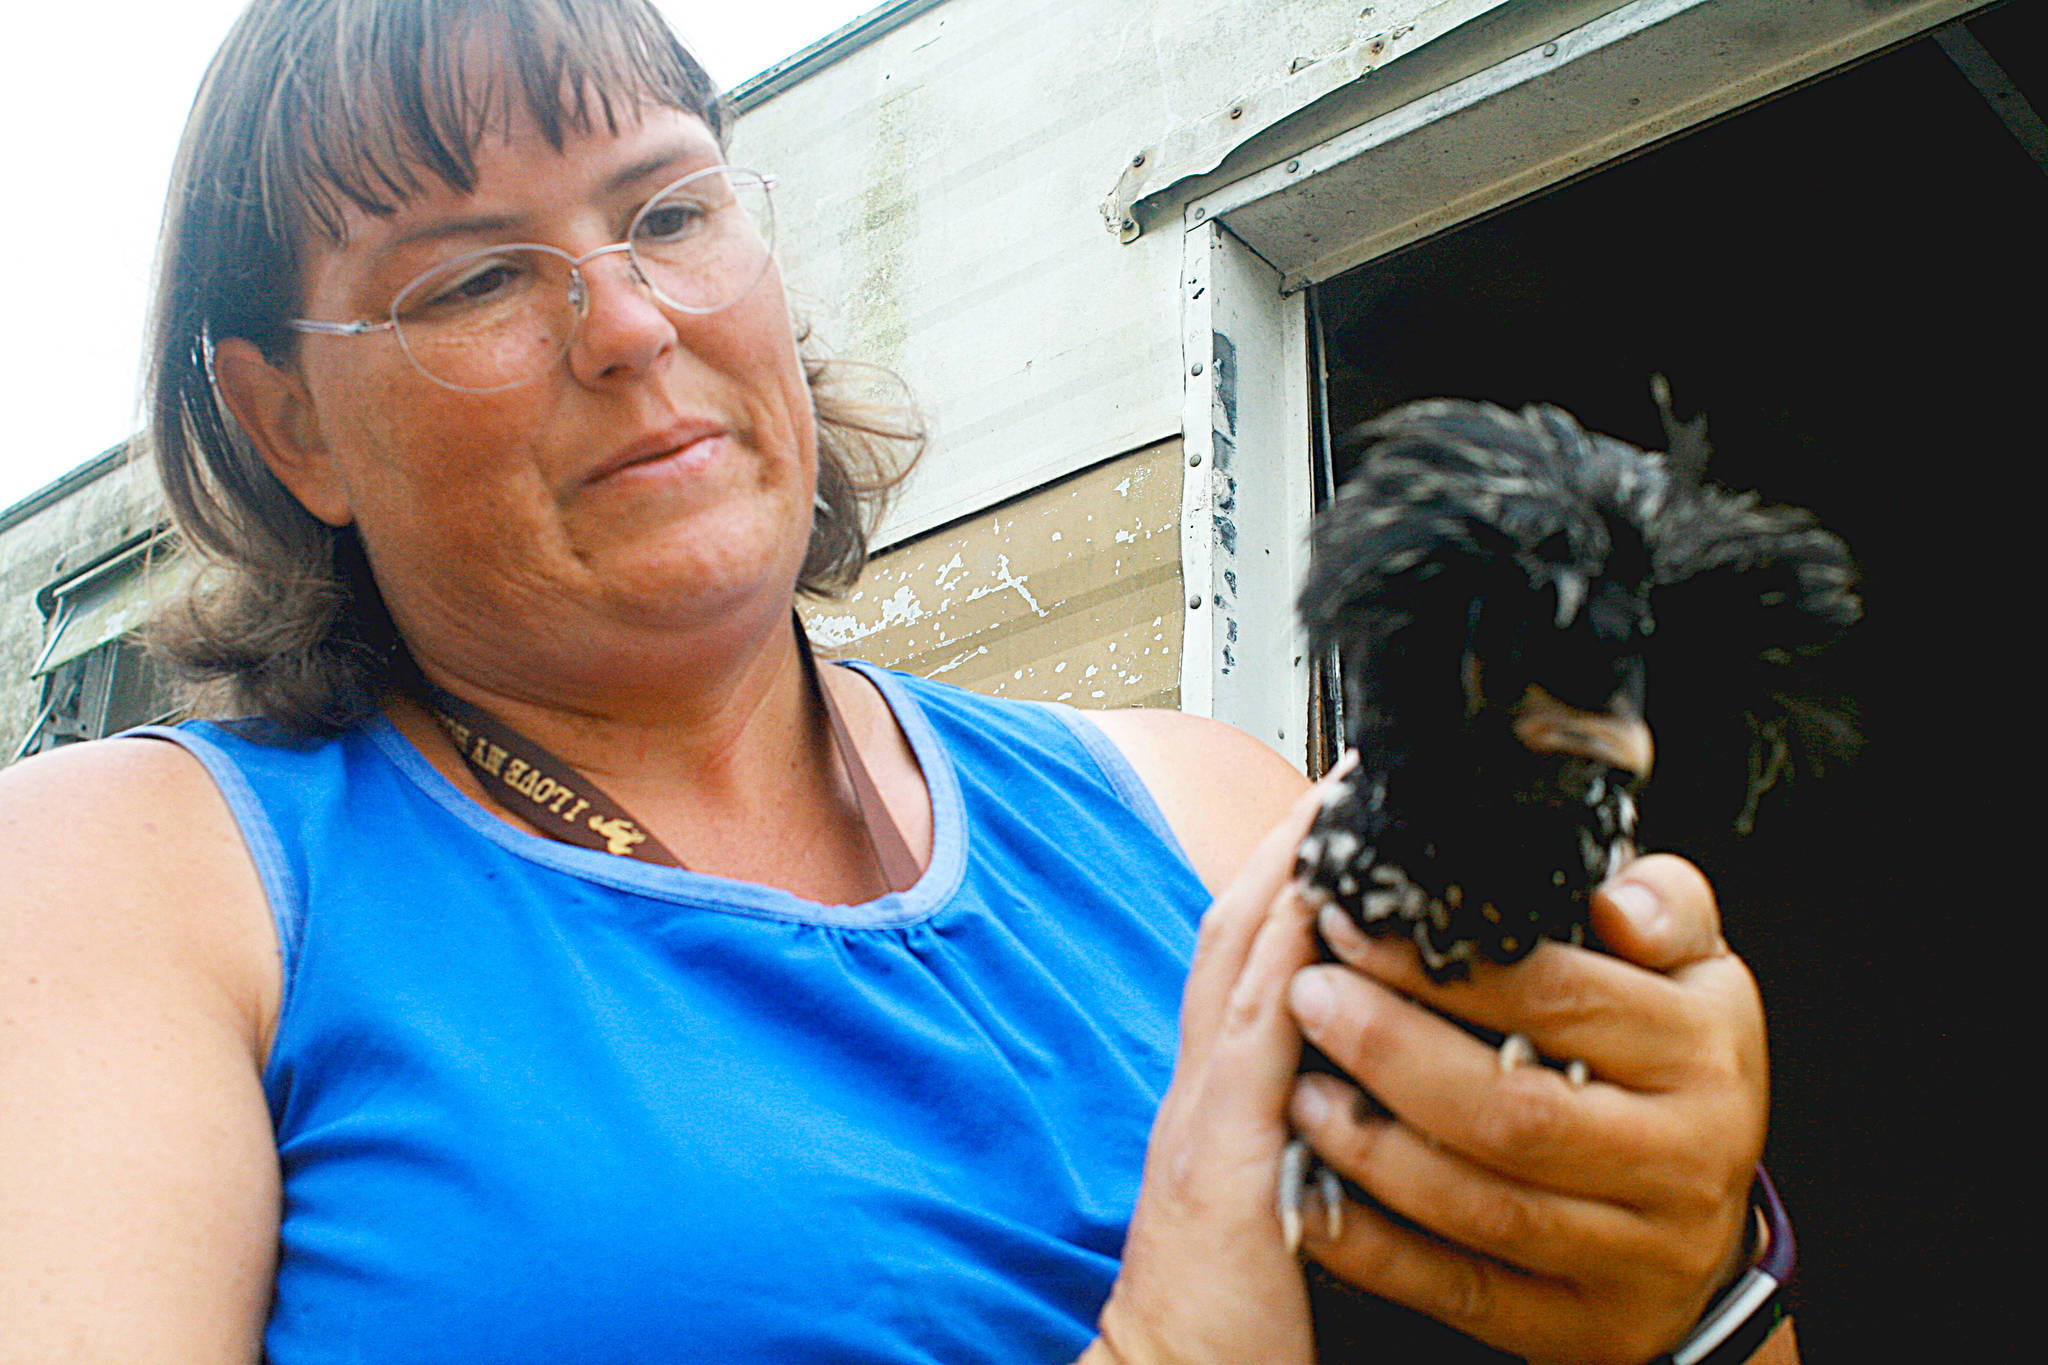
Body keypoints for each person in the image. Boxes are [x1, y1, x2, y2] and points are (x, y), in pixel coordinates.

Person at [0, 2, 1792, 1362]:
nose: (628, 322)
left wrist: (1696, 1269)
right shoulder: (134, 878)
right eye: (475, 278)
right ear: (286, 418)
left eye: (672, 211)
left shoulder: (1211, 805)